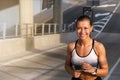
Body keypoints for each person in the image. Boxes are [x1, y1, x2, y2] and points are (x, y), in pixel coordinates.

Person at [65, 15, 109, 80]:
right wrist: (72, 72)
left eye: (86, 28)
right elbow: (67, 65)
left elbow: (105, 71)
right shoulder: (71, 46)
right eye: (79, 28)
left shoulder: (98, 47)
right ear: (76, 29)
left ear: (91, 28)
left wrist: (93, 70)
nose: (82, 32)